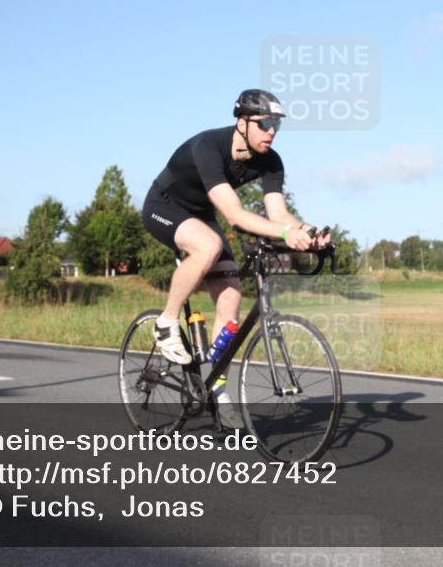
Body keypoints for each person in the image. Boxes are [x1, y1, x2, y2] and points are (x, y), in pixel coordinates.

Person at [141, 89, 331, 424]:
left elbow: (279, 215)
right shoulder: (209, 147)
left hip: (201, 215)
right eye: (265, 123)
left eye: (276, 124)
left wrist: (309, 233)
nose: (271, 130)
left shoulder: (271, 161)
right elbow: (235, 216)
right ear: (242, 123)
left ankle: (218, 387)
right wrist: (287, 235)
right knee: (208, 246)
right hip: (165, 206)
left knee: (230, 297)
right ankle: (166, 322)